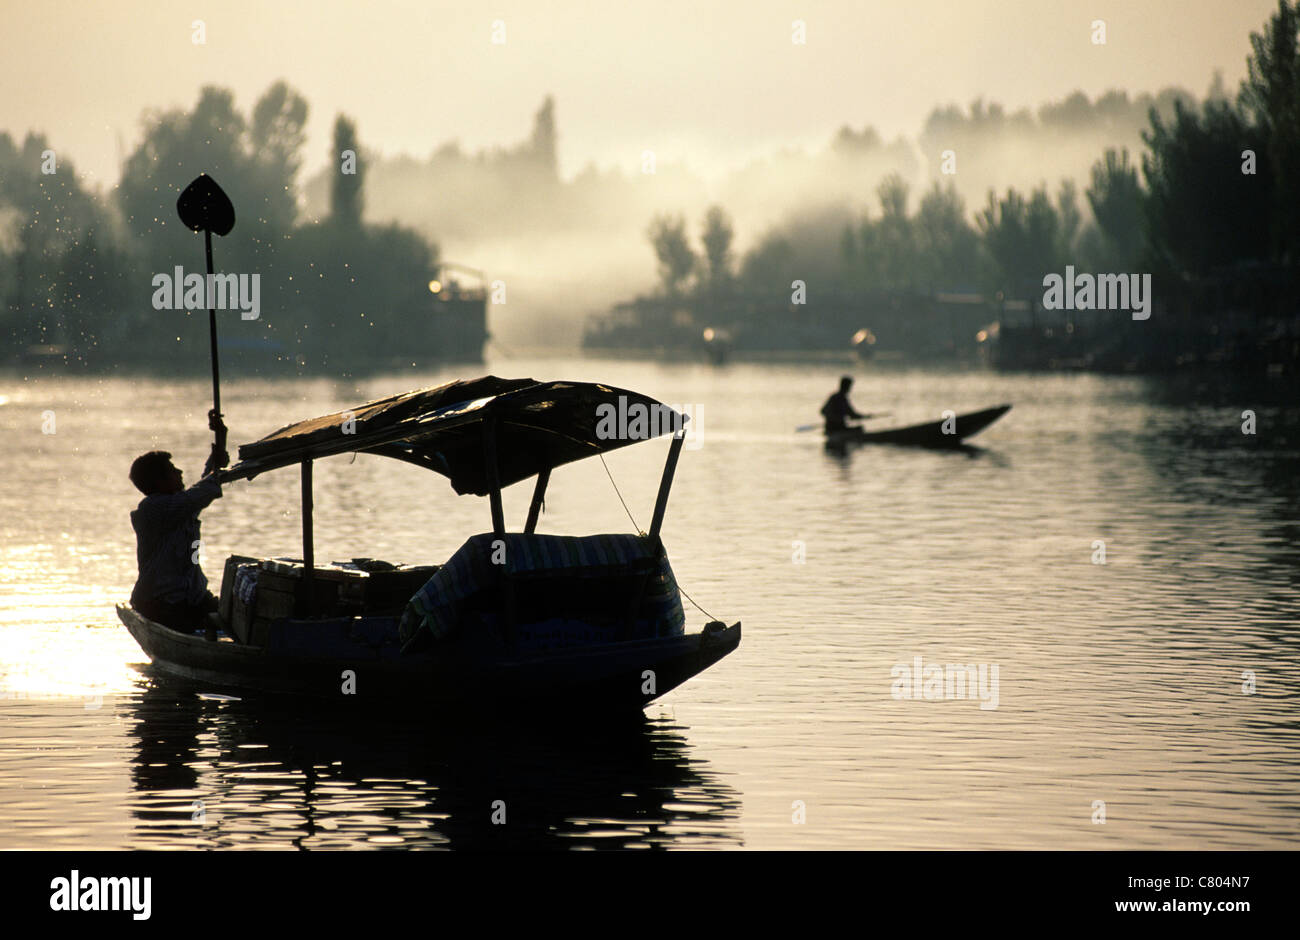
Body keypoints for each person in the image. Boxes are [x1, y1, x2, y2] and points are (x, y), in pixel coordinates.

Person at [128, 410, 229, 631]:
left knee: (234, 615)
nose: (180, 472)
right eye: (173, 471)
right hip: (160, 603)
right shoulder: (154, 509)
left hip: (192, 597)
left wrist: (220, 438)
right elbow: (201, 492)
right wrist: (217, 468)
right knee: (193, 625)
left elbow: (201, 487)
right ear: (159, 482)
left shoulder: (179, 507)